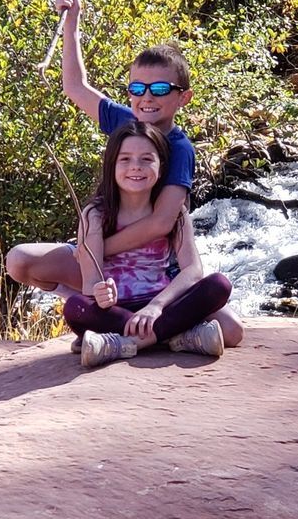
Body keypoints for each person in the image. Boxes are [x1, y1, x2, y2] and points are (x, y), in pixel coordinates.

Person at [6, 0, 244, 346]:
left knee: (231, 329)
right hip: (105, 267)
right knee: (20, 260)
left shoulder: (178, 148)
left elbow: (162, 222)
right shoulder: (124, 123)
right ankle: (126, 323)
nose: (147, 97)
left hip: (154, 269)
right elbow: (75, 87)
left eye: (160, 89)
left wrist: (95, 246)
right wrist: (72, 23)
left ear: (184, 98)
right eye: (137, 89)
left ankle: (123, 334)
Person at [64, 120, 233, 369]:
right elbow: (90, 284)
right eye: (125, 159)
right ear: (111, 165)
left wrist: (155, 306)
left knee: (219, 285)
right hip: (117, 309)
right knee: (75, 307)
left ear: (161, 166)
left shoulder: (174, 212)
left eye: (146, 159)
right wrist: (101, 294)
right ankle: (175, 336)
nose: (136, 167)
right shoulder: (96, 214)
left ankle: (124, 344)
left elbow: (193, 270)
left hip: (162, 303)